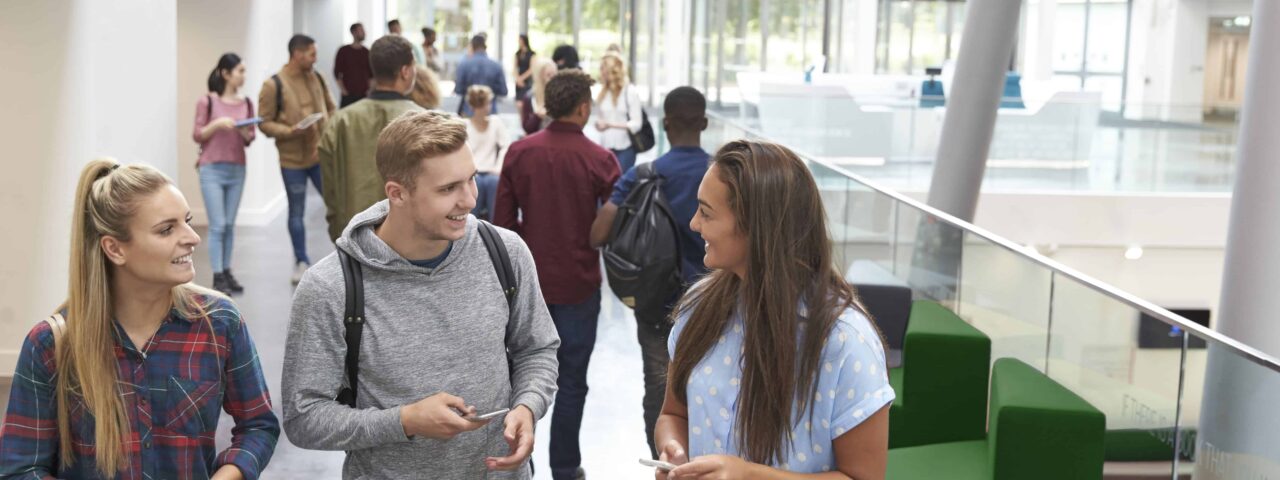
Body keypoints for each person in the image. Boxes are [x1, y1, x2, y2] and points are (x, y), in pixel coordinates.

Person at [283, 111, 560, 479]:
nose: (469, 200)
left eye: (471, 180)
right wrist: (405, 420)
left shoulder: (506, 253)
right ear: (397, 193)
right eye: (448, 189)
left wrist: (527, 406)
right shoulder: (331, 288)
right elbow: (303, 417)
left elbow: (537, 349)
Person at [0, 159, 280, 479]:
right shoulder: (50, 345)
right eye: (166, 229)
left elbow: (258, 425)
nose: (192, 237)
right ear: (115, 249)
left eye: (187, 221)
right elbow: (21, 468)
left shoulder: (219, 323)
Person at [652, 140, 894, 479]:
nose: (694, 224)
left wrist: (749, 475)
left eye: (706, 213)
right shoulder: (698, 310)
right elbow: (673, 415)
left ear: (757, 228)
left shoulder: (844, 343)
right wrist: (674, 450)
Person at [494, 69, 621, 480]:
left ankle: (520, 461)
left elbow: (501, 225)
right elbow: (611, 227)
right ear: (584, 108)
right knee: (571, 381)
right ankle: (565, 466)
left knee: (517, 381)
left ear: (548, 105)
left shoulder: (519, 152)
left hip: (525, 288)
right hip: (579, 285)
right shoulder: (602, 160)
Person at [588, 86, 711, 460]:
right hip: (713, 304)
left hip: (657, 306)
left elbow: (598, 234)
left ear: (665, 124)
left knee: (659, 391)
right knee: (711, 389)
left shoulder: (644, 175)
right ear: (704, 123)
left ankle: (665, 464)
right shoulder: (723, 174)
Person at [318, 34, 424, 242]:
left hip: (354, 235)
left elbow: (330, 188)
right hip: (410, 238)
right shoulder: (423, 121)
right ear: (405, 71)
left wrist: (337, 230)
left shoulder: (340, 121)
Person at [259, 34, 336, 284]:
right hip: (292, 160)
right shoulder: (274, 85)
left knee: (337, 204)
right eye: (312, 54)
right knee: (297, 212)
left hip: (319, 156)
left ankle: (347, 256)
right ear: (297, 54)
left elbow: (330, 107)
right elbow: (265, 123)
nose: (316, 58)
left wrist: (328, 134)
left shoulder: (317, 77)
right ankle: (301, 260)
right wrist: (290, 131)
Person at [193, 53, 256, 296]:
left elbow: (250, 137)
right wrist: (218, 124)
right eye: (240, 71)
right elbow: (197, 134)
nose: (243, 75)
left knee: (229, 225)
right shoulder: (207, 102)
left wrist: (242, 131)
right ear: (225, 73)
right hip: (212, 169)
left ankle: (227, 271)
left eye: (244, 71)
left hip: (237, 169)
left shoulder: (247, 103)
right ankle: (218, 275)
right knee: (218, 225)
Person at [592, 53, 643, 173]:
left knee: (620, 184)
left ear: (611, 70)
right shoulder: (603, 93)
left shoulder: (630, 92)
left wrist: (610, 124)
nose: (600, 72)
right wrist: (599, 125)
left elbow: (636, 124)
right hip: (606, 147)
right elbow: (602, 119)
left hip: (625, 148)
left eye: (602, 68)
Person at [466, 85, 509, 221]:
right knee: (475, 187)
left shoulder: (496, 123)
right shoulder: (464, 125)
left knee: (494, 184)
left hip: (492, 172)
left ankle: (494, 229)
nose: (489, 106)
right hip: (473, 173)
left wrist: (498, 167)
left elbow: (506, 146)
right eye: (487, 103)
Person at [454, 34, 508, 117]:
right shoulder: (496, 66)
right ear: (485, 47)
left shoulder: (464, 65)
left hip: (468, 111)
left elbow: (458, 90)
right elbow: (503, 91)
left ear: (472, 46)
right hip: (490, 112)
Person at [334, 23, 373, 108]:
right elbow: (337, 73)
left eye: (363, 30)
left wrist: (370, 90)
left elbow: (371, 75)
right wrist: (343, 91)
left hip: (364, 96)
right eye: (361, 30)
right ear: (353, 32)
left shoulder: (367, 52)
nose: (364, 33)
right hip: (348, 96)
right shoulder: (343, 51)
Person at [521, 58, 557, 135]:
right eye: (548, 75)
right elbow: (527, 127)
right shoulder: (530, 97)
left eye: (554, 75)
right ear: (540, 76)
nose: (552, 79)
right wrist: (537, 117)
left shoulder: (561, 95)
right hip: (537, 140)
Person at [514, 34, 536, 108]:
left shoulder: (531, 54)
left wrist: (522, 78)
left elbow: (531, 69)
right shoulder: (517, 54)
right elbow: (515, 67)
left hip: (527, 80)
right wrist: (518, 78)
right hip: (519, 79)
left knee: (526, 101)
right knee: (518, 103)